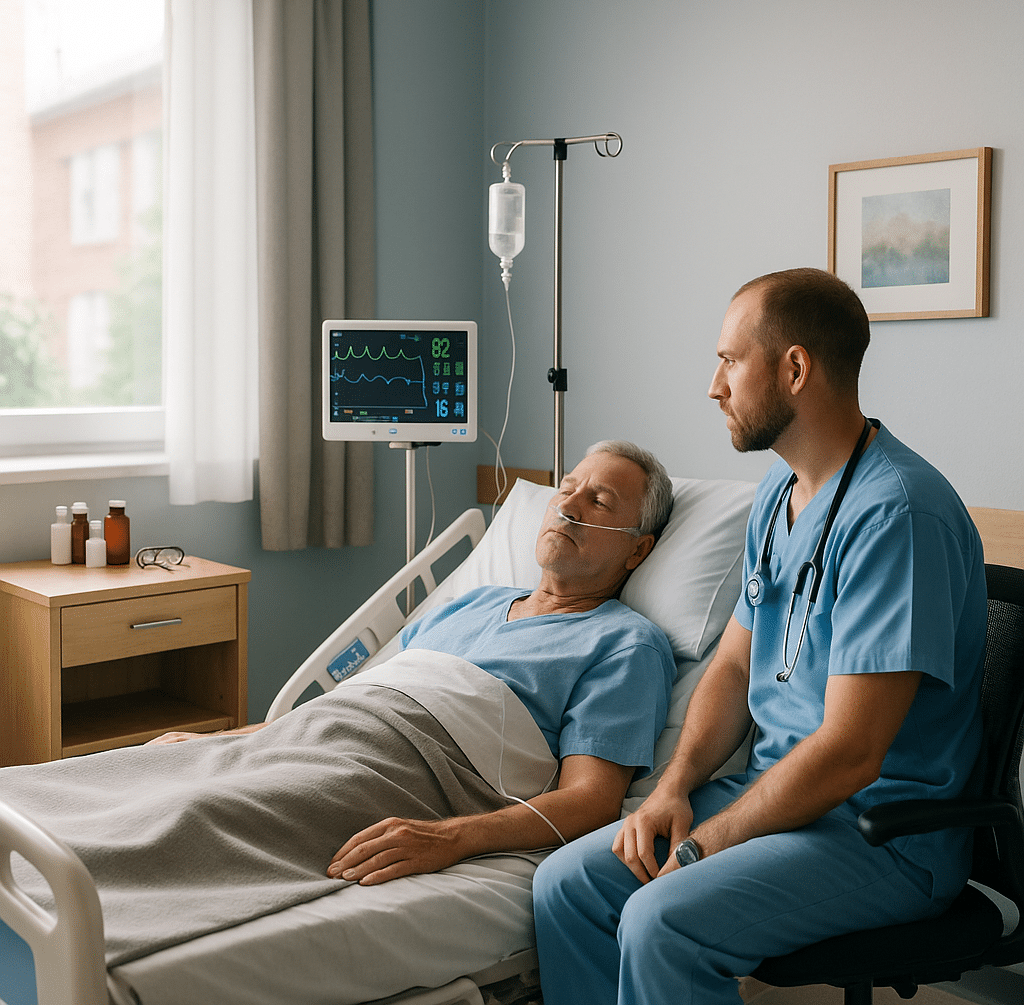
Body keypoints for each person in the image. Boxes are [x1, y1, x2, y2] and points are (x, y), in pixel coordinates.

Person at [1, 440, 677, 965]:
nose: (568, 505)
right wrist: (232, 740)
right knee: (129, 776)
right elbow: (362, 697)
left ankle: (48, 923)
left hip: (409, 769)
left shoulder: (623, 643)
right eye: (567, 488)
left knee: (199, 812)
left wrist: (450, 837)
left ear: (638, 550)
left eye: (600, 502)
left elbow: (589, 801)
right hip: (321, 734)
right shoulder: (474, 601)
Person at [532, 268, 987, 1005]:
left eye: (729, 361)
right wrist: (672, 790)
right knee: (566, 886)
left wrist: (706, 843)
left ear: (795, 368)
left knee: (660, 922)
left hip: (881, 836)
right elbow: (736, 658)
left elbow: (850, 753)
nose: (715, 386)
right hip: (778, 803)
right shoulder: (779, 493)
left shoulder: (898, 516)